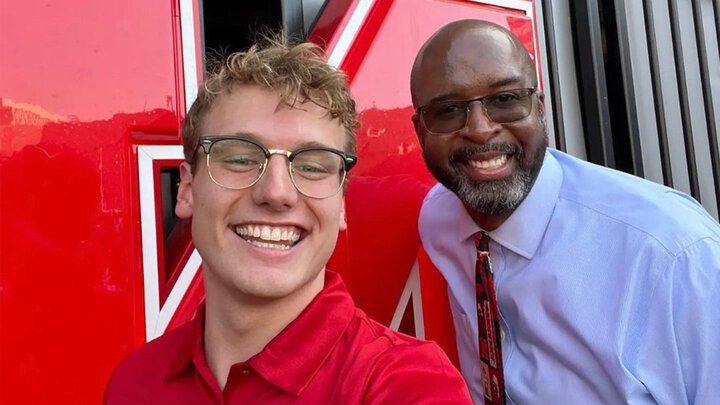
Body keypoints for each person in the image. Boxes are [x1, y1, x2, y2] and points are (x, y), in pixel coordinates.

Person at [104, 35, 473, 404]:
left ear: (342, 203)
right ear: (186, 189)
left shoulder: (408, 386)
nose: (277, 193)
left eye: (312, 165)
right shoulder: (135, 382)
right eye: (239, 158)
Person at [410, 19, 720, 404]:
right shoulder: (439, 221)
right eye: (448, 110)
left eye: (505, 99)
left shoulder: (675, 255)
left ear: (539, 109)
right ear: (420, 132)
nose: (479, 128)